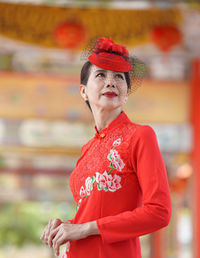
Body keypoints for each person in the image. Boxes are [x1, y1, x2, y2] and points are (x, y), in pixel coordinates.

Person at [40, 37, 171, 258]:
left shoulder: (140, 136)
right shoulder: (86, 149)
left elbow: (160, 212)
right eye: (101, 75)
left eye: (118, 77)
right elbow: (97, 213)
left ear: (126, 92)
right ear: (83, 91)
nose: (110, 82)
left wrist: (83, 228)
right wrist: (66, 226)